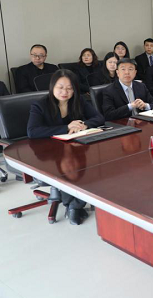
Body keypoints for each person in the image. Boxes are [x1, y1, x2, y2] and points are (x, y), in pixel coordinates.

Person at [27, 70, 105, 225]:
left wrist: (85, 125)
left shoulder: (79, 100)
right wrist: (66, 127)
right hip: (48, 153)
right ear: (52, 87)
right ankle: (74, 206)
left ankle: (75, 205)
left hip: (74, 147)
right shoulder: (40, 104)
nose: (65, 92)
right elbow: (32, 131)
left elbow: (99, 118)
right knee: (68, 170)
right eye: (60, 87)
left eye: (69, 88)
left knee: (85, 168)